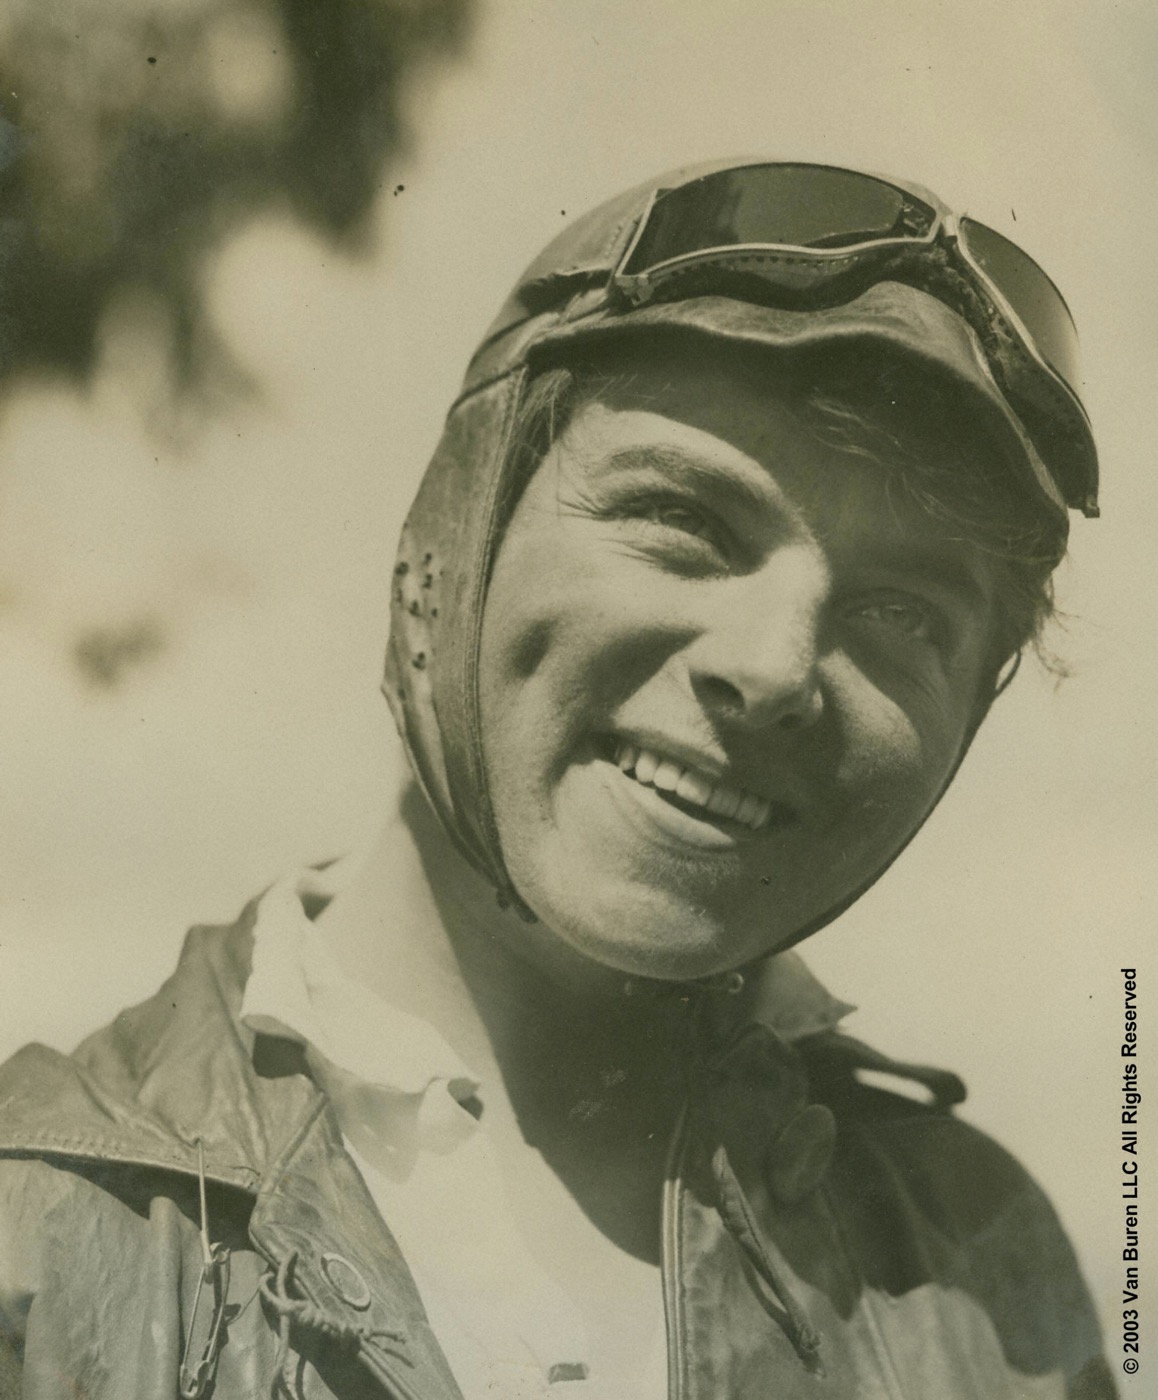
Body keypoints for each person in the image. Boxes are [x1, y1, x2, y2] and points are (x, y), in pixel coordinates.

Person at [0, 161, 1114, 1399]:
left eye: (907, 612)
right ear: (462, 527)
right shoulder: (39, 1238)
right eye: (688, 521)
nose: (776, 667)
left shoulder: (985, 1291)